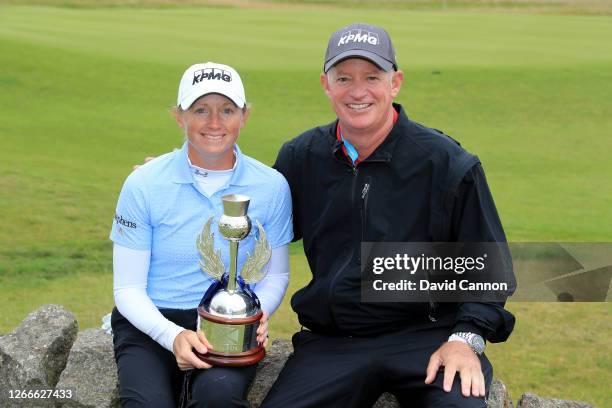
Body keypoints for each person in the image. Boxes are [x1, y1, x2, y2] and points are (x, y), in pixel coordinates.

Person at [260, 23, 516, 408]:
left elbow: (489, 269)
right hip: (333, 342)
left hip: (427, 337)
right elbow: (257, 234)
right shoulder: (301, 156)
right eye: (343, 77)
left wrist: (466, 339)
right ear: (326, 84)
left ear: (395, 83)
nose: (357, 91)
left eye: (372, 77)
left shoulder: (445, 162)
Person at [110, 61, 293, 408]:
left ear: (244, 116)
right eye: (200, 110)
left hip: (229, 324)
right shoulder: (144, 183)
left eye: (227, 110)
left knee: (219, 398)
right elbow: (127, 289)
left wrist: (256, 315)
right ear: (179, 116)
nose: (214, 123)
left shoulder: (272, 186)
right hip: (152, 320)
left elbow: (278, 274)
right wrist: (174, 336)